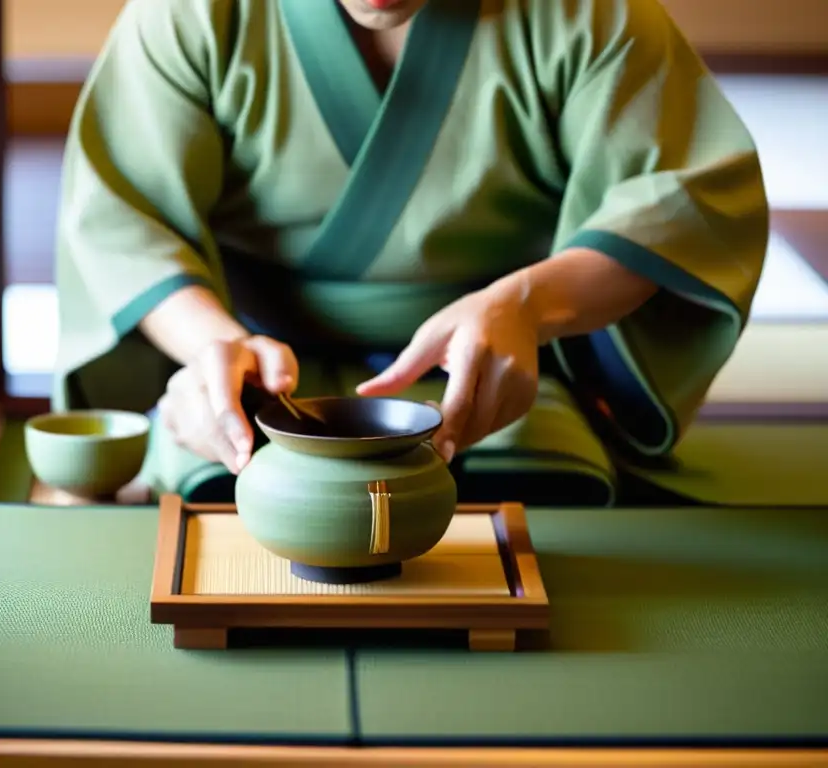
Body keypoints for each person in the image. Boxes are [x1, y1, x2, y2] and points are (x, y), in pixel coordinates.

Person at [52, 0, 768, 505]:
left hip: (490, 370)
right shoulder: (192, 13)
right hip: (264, 375)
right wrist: (214, 348)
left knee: (553, 489)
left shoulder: (587, 12)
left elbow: (680, 199)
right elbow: (122, 212)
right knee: (228, 486)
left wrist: (526, 305)